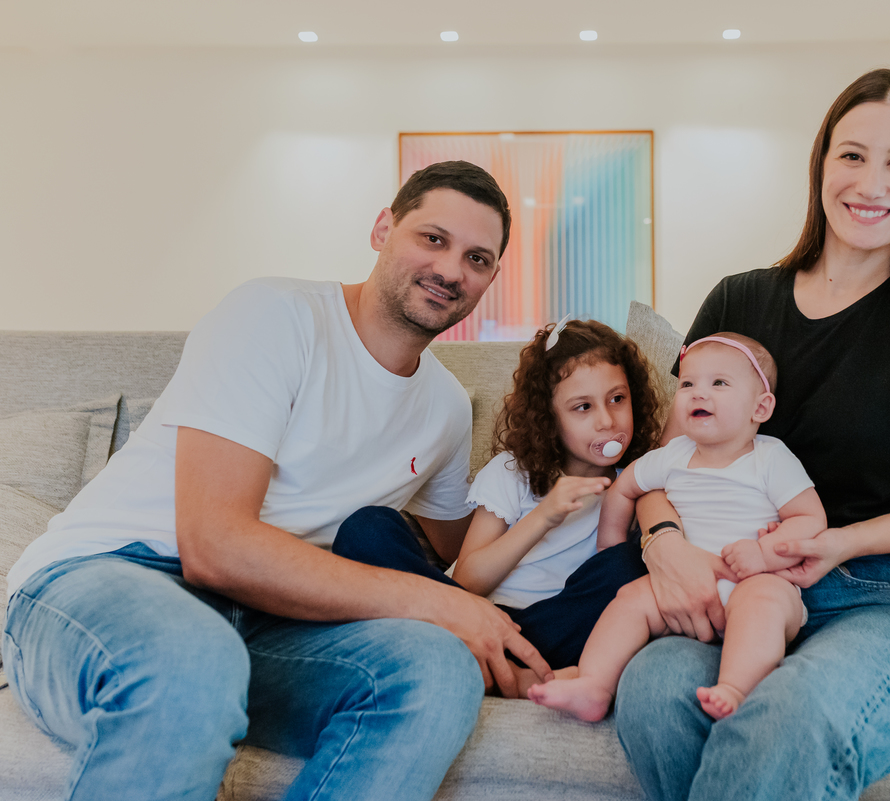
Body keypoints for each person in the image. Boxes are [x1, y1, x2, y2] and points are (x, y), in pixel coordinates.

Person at [3, 161, 553, 801]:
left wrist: (565, 478)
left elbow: (458, 552)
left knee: (436, 668)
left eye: (478, 259)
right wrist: (439, 603)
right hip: (107, 580)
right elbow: (214, 545)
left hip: (266, 624)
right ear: (383, 229)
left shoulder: (447, 410)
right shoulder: (276, 316)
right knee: (191, 654)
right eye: (433, 239)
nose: (452, 270)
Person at [615, 69, 890, 801]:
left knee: (791, 714)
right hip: (726, 584)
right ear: (821, 166)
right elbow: (663, 467)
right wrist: (664, 543)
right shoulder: (738, 299)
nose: (871, 182)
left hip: (874, 598)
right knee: (653, 694)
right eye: (852, 155)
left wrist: (842, 541)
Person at [331, 318, 661, 695]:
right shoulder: (512, 473)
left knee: (629, 568)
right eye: (582, 407)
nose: (606, 420)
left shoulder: (637, 482)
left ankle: (494, 671)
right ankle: (481, 663)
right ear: (550, 419)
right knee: (368, 528)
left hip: (544, 632)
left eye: (617, 399)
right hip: (468, 618)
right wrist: (543, 516)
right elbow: (467, 581)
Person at [528, 333, 825, 722]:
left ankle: (735, 689)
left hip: (755, 579)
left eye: (718, 383)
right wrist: (612, 550)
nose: (698, 394)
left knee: (763, 604)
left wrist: (763, 554)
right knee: (629, 602)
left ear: (760, 406)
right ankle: (594, 685)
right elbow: (624, 489)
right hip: (680, 585)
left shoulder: (770, 458)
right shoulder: (672, 456)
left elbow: (811, 519)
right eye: (688, 384)